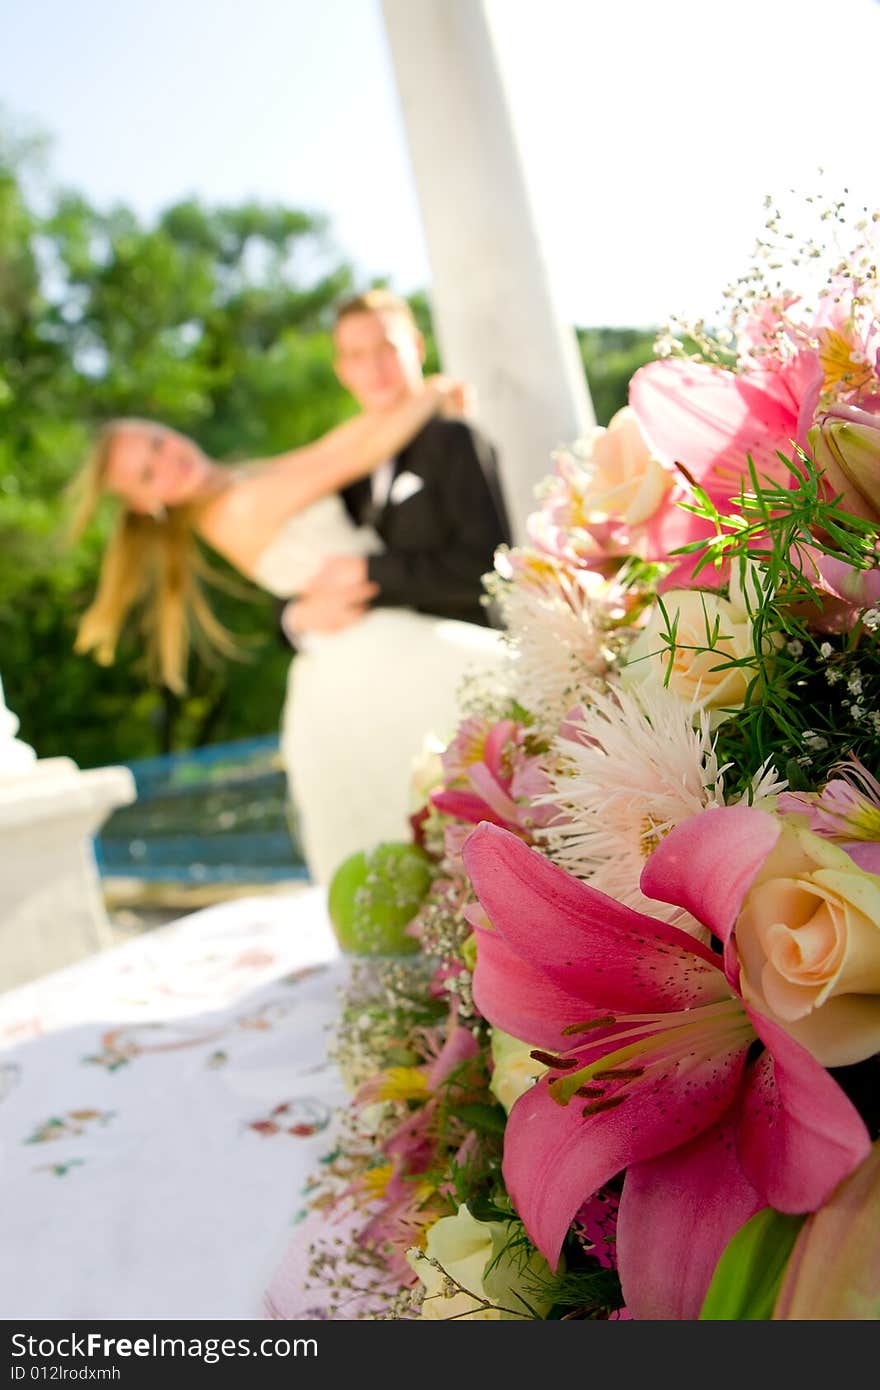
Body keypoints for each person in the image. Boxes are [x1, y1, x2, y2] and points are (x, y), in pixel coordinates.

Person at [71, 368, 509, 885]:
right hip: (368, 651)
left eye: (157, 442)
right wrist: (433, 392)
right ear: (147, 505)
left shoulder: (238, 480)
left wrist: (413, 398)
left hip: (372, 638)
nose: (168, 460)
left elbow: (331, 445)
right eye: (147, 474)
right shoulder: (237, 506)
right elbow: (349, 457)